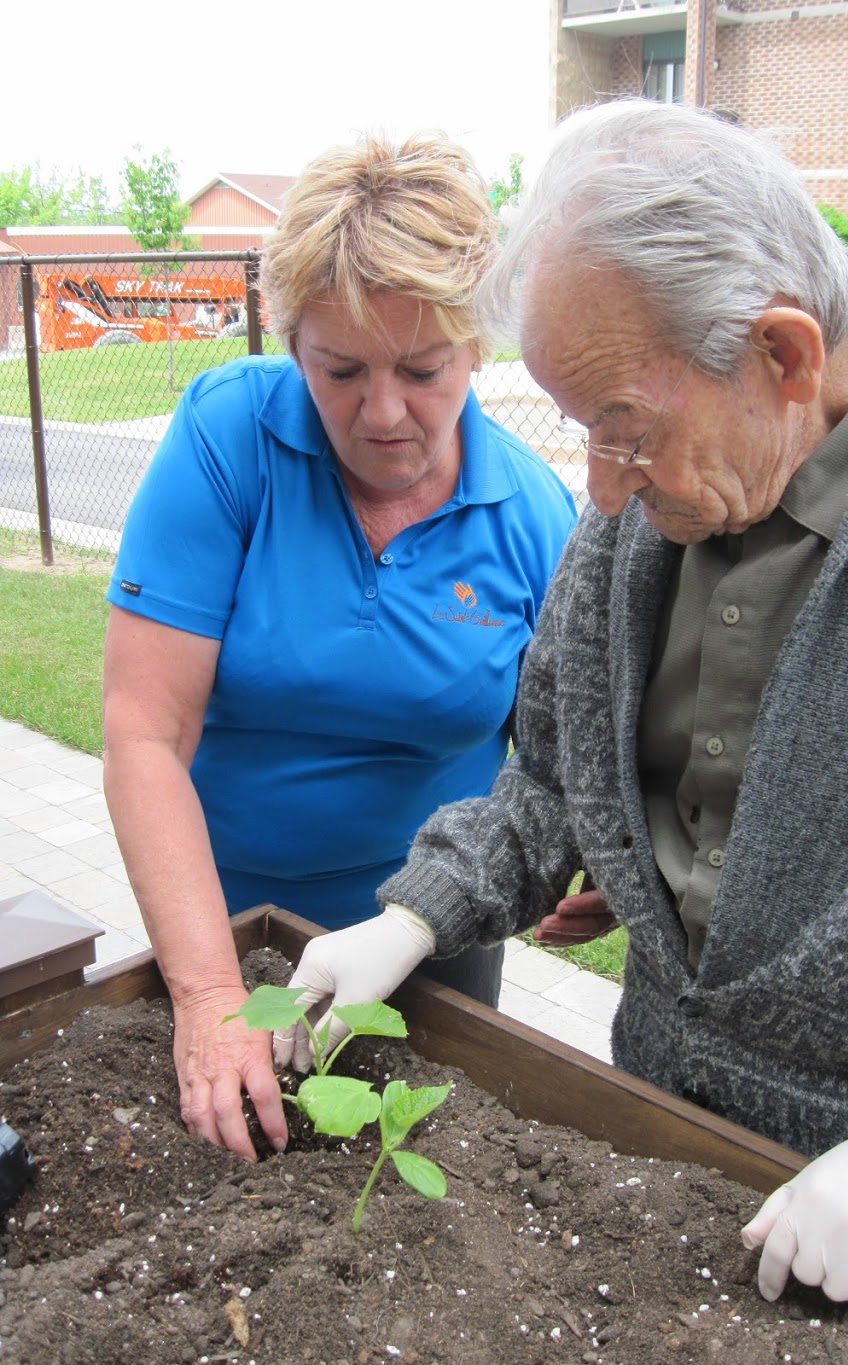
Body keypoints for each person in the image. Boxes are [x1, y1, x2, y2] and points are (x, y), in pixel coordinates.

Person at [273, 100, 848, 1309]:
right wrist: (410, 920)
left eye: (622, 432)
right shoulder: (649, 514)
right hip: (652, 1158)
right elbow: (554, 779)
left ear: (781, 356)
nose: (603, 496)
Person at [102, 133, 577, 1164]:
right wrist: (210, 993)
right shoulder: (230, 440)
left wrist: (594, 859)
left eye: (422, 368)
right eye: (339, 369)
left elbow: (558, 756)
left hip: (429, 941)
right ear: (289, 343)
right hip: (228, 922)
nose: (382, 412)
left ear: (478, 342)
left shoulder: (535, 517)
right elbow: (145, 730)